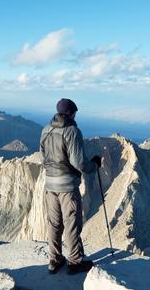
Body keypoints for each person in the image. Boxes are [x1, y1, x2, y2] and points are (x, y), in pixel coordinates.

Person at [40, 98, 101, 275]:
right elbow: (79, 162)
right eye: (75, 112)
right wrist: (94, 165)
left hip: (50, 184)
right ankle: (74, 262)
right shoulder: (72, 131)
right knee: (71, 223)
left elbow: (43, 156)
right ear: (70, 113)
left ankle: (54, 259)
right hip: (67, 186)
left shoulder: (46, 129)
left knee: (54, 223)